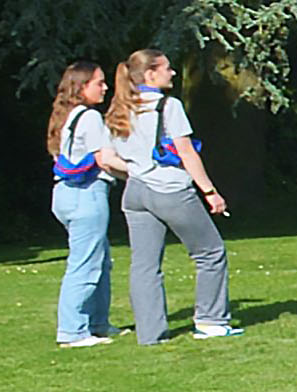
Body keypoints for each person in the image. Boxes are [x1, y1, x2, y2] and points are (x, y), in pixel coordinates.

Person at [102, 50, 236, 340]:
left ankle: (150, 333)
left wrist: (137, 170)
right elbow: (186, 152)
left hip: (135, 191)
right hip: (170, 190)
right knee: (210, 253)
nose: (173, 73)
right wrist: (210, 192)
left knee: (145, 265)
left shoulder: (120, 107)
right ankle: (212, 321)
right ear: (150, 74)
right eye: (166, 68)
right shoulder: (168, 105)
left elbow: (107, 159)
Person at [45, 62, 116, 346]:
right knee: (84, 263)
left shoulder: (64, 116)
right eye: (99, 82)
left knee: (100, 259)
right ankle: (73, 330)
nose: (105, 87)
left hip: (64, 194)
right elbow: (105, 159)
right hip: (86, 194)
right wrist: (138, 170)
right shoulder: (90, 117)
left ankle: (98, 322)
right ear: (81, 86)